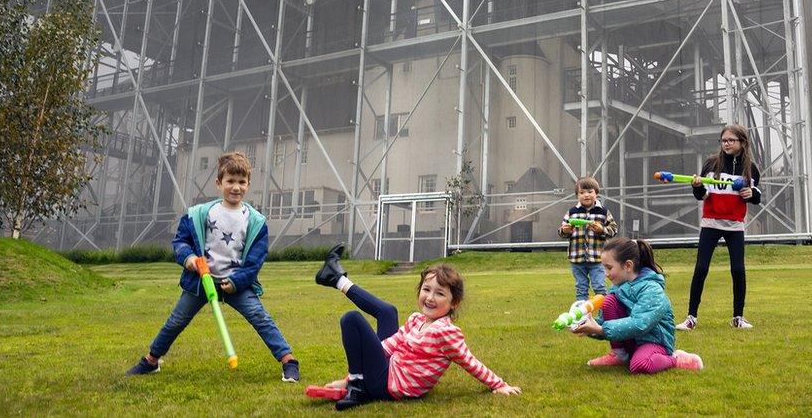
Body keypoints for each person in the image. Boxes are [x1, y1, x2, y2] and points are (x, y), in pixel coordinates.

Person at [126, 152, 300, 381]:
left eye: (241, 182)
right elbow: (181, 241)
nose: (235, 187)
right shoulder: (201, 214)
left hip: (236, 283)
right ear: (219, 183)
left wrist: (237, 282)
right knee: (176, 321)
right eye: (230, 181)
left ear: (248, 184)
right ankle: (151, 361)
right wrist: (188, 259)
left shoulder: (255, 221)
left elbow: (255, 260)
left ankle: (288, 361)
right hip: (201, 281)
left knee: (260, 317)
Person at [311, 246, 521, 410]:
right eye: (426, 289)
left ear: (453, 303)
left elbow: (470, 361)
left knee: (352, 319)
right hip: (387, 370)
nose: (430, 298)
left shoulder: (445, 333)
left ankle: (359, 386)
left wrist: (499, 384)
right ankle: (337, 279)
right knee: (388, 312)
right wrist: (351, 376)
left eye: (440, 294)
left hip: (387, 385)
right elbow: (387, 347)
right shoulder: (416, 320)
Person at [569, 237, 704, 374]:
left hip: (654, 342)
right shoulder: (617, 288)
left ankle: (675, 359)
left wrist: (600, 329)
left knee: (640, 365)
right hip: (632, 339)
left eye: (609, 267)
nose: (605, 273)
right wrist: (587, 327)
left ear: (628, 265)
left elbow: (640, 323)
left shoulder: (651, 290)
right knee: (609, 300)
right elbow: (605, 323)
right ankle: (620, 355)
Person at [676, 124, 762, 331]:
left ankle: (738, 318)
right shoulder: (711, 164)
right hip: (711, 223)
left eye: (731, 140)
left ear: (742, 143)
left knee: (738, 270)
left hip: (735, 226)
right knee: (701, 268)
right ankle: (691, 318)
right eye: (724, 140)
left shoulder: (751, 168)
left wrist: (751, 194)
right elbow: (703, 195)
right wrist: (696, 187)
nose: (726, 144)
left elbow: (756, 196)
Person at [559, 176, 618, 303]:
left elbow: (613, 229)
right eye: (582, 192)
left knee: (600, 288)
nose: (586, 195)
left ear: (596, 193)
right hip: (577, 258)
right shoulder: (572, 213)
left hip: (597, 258)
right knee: (581, 289)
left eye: (590, 192)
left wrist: (602, 229)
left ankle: (604, 315)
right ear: (577, 195)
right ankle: (582, 318)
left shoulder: (603, 212)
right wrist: (565, 230)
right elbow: (562, 231)